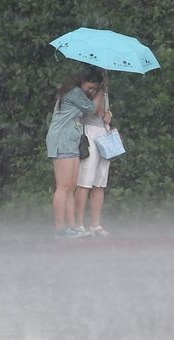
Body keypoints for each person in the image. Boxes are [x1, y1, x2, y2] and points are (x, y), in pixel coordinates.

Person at [45, 68, 104, 239]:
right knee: (63, 186)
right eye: (90, 87)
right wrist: (101, 92)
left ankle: (72, 227)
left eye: (94, 88)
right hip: (61, 140)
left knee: (72, 186)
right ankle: (60, 228)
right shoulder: (75, 92)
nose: (91, 91)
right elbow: (91, 109)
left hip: (72, 142)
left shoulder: (77, 93)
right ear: (81, 82)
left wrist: (98, 91)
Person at [74, 68, 113, 237]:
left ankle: (95, 224)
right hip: (88, 132)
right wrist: (97, 94)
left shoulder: (102, 92)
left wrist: (107, 111)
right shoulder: (78, 94)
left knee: (100, 183)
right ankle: (78, 224)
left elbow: (102, 113)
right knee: (85, 182)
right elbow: (89, 111)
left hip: (103, 134)